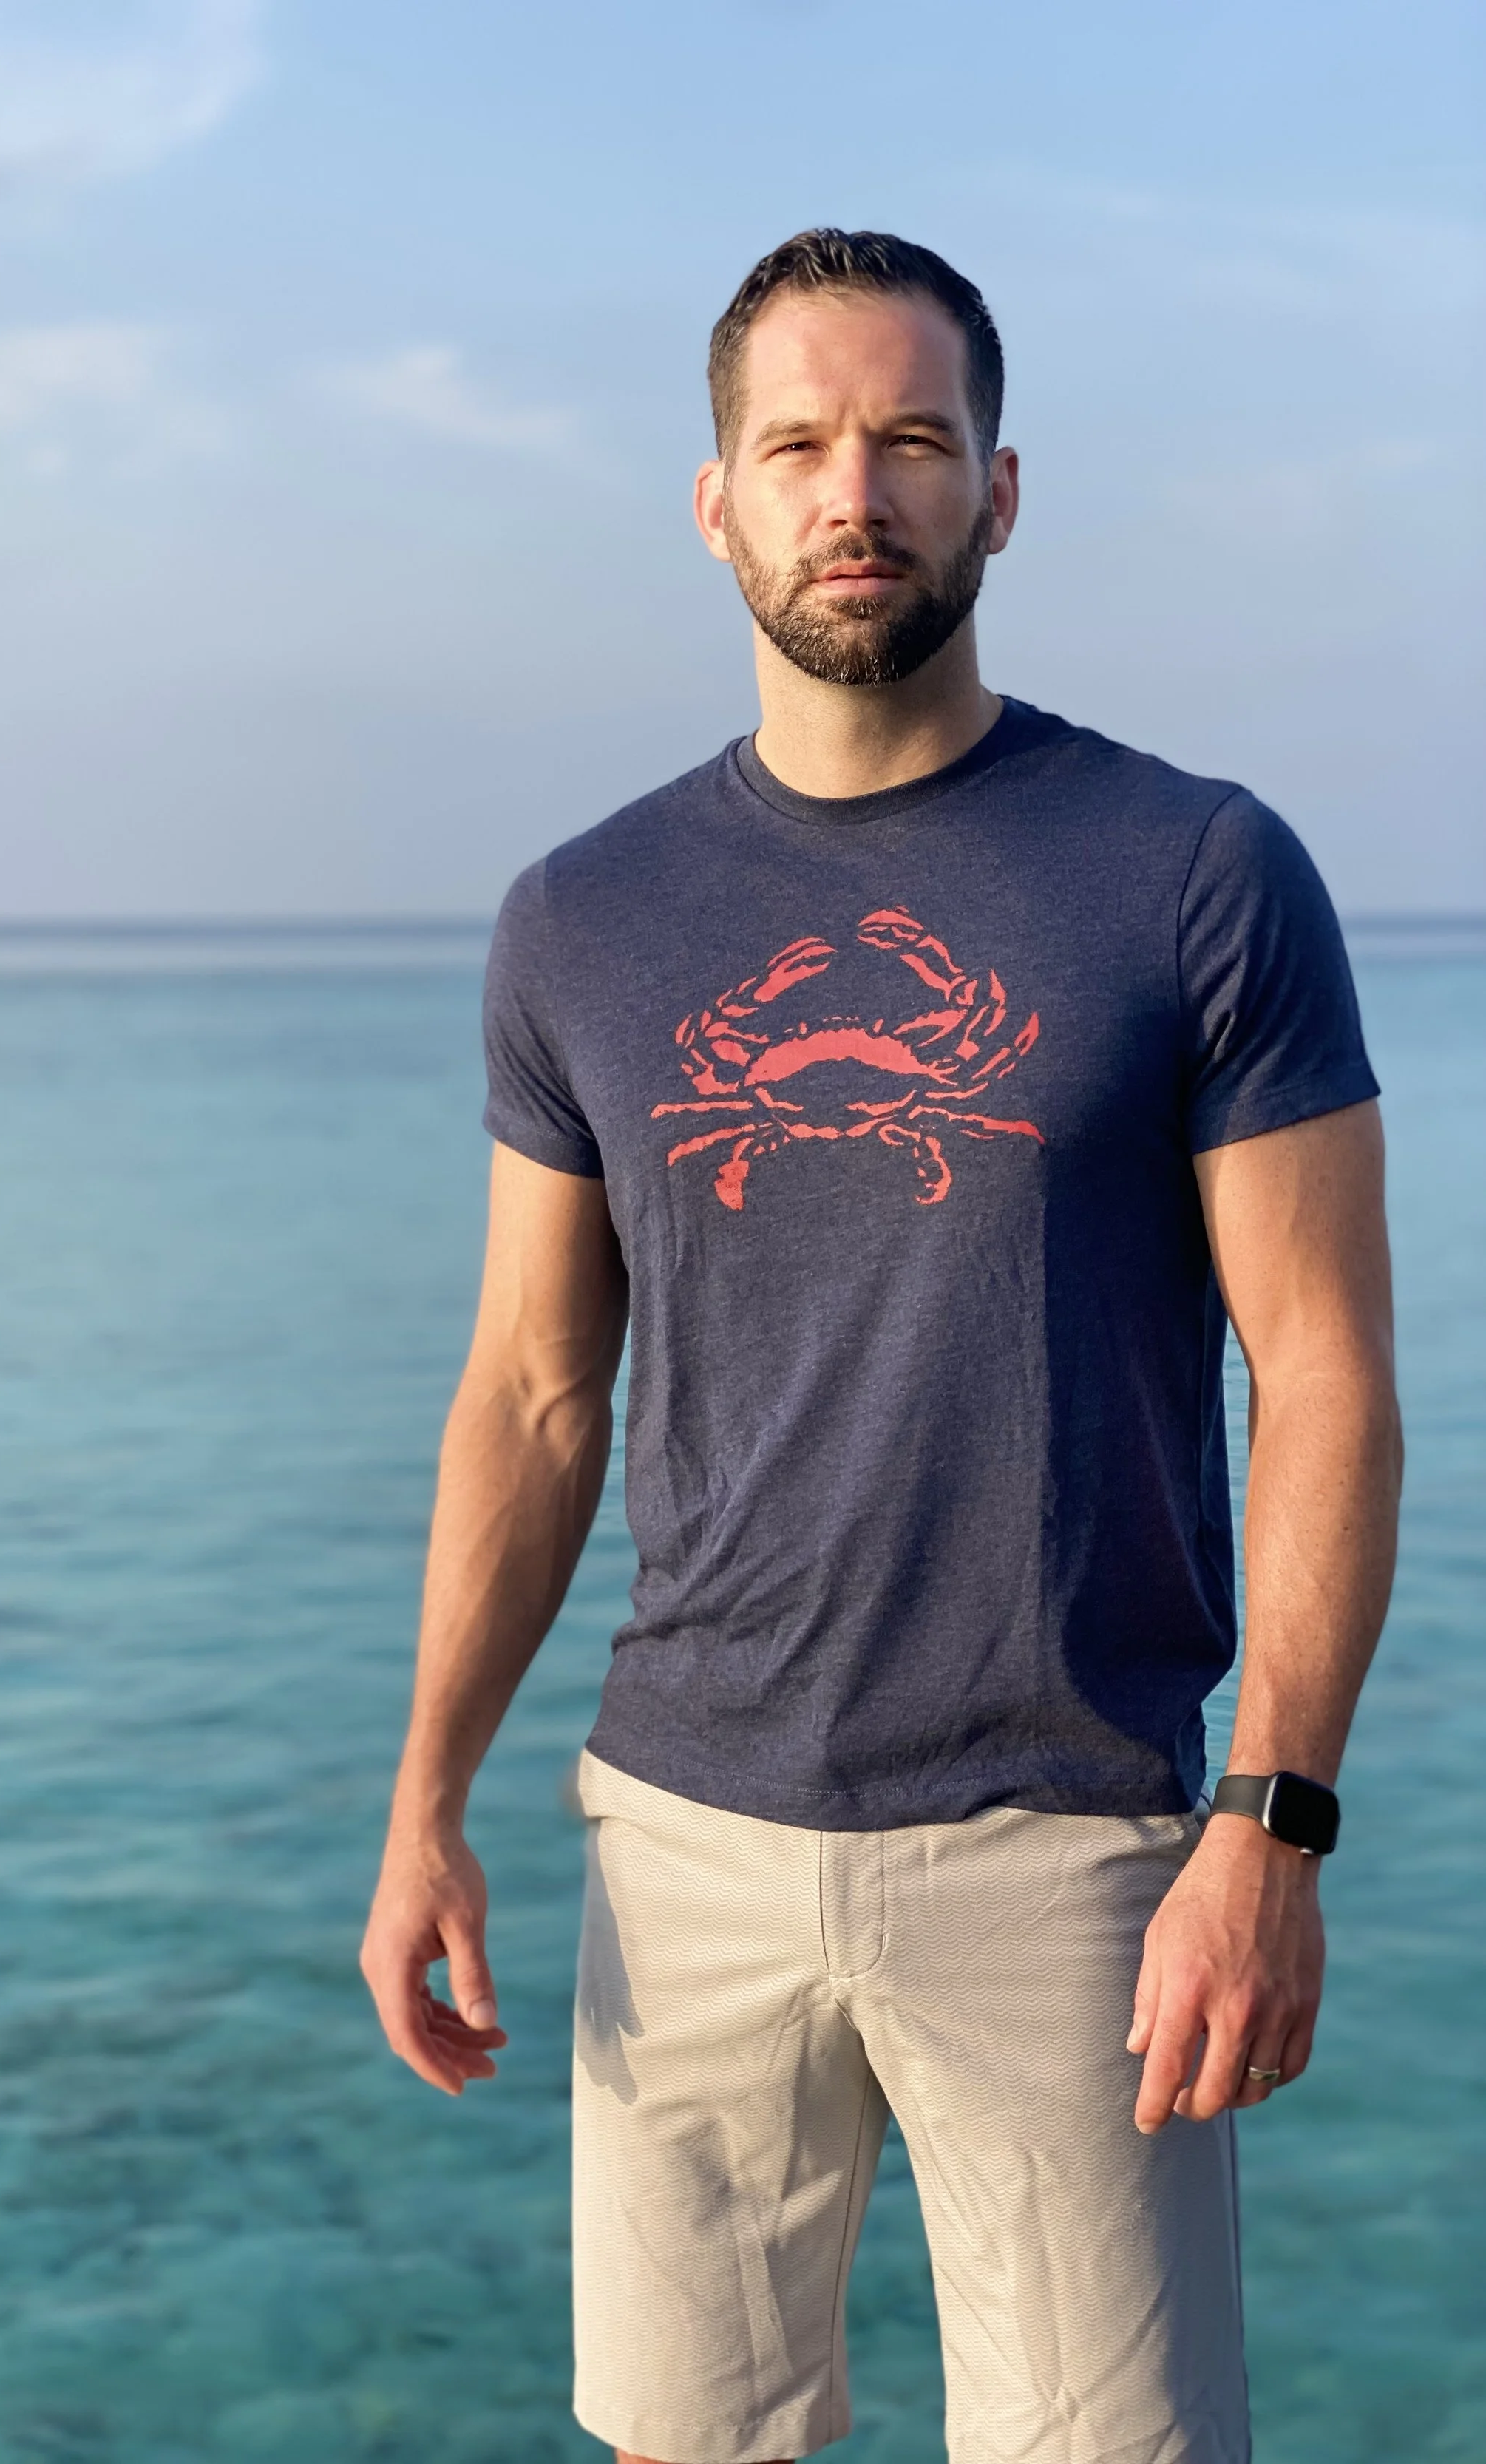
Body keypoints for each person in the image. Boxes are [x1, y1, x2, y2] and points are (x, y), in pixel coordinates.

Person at [359, 228, 1402, 2464]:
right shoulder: (581, 919)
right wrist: (426, 1797)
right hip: (682, 1838)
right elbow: (532, 1390)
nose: (858, 492)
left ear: (996, 492)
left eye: (914, 440)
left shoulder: (1196, 873)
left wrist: (1274, 1826)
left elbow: (1321, 1371)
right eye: (801, 445)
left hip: (1069, 1849)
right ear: (715, 500)